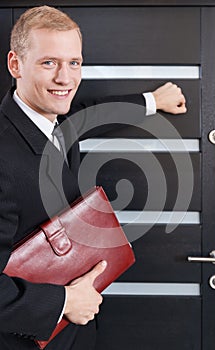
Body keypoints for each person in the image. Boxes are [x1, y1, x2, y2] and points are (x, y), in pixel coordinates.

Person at [0, 5, 187, 350]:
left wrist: (152, 101)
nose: (65, 79)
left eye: (74, 63)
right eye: (48, 63)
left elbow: (91, 113)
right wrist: (64, 303)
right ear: (15, 65)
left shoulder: (51, 121)